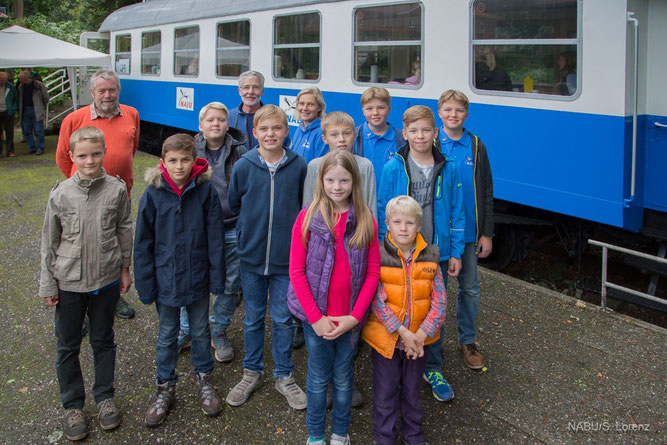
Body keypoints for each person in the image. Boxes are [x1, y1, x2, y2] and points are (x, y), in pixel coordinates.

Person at [39, 126, 132, 441]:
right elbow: (48, 243)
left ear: (104, 152)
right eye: (82, 155)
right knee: (67, 346)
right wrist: (48, 285)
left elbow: (123, 229)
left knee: (103, 340)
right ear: (71, 156)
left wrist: (124, 268)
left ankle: (104, 397)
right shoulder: (60, 193)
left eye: (95, 154)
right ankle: (73, 405)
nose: (89, 160)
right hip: (69, 283)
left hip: (105, 280)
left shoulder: (116, 190)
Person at [287, 150, 380, 445]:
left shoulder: (366, 220)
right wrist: (315, 319)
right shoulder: (306, 218)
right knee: (316, 379)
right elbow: (296, 271)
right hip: (318, 321)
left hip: (349, 321)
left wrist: (354, 317)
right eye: (330, 180)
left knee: (343, 379)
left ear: (354, 181)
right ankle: (315, 435)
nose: (337, 186)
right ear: (321, 180)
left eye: (344, 180)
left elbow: (373, 273)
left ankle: (340, 433)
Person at [134, 134, 225, 427]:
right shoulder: (153, 193)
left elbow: (215, 240)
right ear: (162, 161)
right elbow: (142, 244)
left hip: (197, 276)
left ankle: (203, 379)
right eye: (172, 160)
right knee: (167, 334)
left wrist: (217, 278)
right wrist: (146, 285)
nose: (179, 166)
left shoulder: (205, 192)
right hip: (166, 279)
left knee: (200, 330)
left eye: (185, 159)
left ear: (195, 160)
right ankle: (165, 386)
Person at [377, 105, 464, 403]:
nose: (420, 135)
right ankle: (398, 358)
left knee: (433, 310)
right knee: (400, 305)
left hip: (434, 253)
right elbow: (381, 208)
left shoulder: (448, 166)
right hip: (399, 253)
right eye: (413, 130)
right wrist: (382, 248)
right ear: (405, 133)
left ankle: (433, 367)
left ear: (436, 132)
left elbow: (457, 209)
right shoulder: (393, 167)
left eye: (426, 130)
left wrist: (456, 251)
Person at [226, 104, 308, 409]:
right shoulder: (244, 165)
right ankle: (252, 371)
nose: (270, 134)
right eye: (264, 129)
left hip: (287, 261)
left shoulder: (299, 166)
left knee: (284, 318)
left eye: (277, 128)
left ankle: (284, 374)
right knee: (252, 318)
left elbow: (303, 208)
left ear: (287, 131)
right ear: (254, 132)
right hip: (251, 256)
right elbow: (236, 204)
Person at [56, 69, 140, 319]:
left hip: (119, 195)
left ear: (119, 91)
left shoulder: (132, 114)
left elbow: (131, 150)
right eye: (101, 90)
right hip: (83, 197)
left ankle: (112, 295)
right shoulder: (74, 118)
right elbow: (63, 157)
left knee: (114, 244)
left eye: (112, 89)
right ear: (92, 92)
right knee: (79, 245)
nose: (107, 95)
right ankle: (76, 305)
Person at [362, 195, 446, 445]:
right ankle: (384, 437)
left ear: (419, 226)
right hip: (387, 341)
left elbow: (439, 301)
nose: (403, 228)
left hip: (419, 343)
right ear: (387, 223)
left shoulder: (430, 255)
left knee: (412, 392)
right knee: (386, 392)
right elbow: (377, 300)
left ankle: (414, 435)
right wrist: (403, 333)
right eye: (397, 222)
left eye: (409, 223)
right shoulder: (377, 254)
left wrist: (420, 335)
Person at [177, 102, 247, 362]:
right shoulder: (188, 151)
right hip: (198, 229)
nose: (216, 124)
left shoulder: (241, 151)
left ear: (228, 124)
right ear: (200, 125)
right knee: (193, 279)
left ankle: (218, 330)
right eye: (210, 120)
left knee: (229, 284)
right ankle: (187, 330)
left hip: (232, 227)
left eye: (221, 119)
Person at [433, 90, 494, 372]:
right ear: (439, 112)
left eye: (458, 110)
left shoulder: (476, 145)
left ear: (466, 114)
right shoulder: (432, 142)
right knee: (437, 290)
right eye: (447, 109)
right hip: (439, 234)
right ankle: (435, 342)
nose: (452, 115)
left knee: (470, 289)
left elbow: (487, 191)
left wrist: (487, 233)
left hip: (470, 232)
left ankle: (467, 340)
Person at [303, 111, 376, 215]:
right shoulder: (315, 166)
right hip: (320, 228)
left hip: (358, 228)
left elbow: (371, 206)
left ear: (354, 136)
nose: (341, 139)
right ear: (325, 139)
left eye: (347, 133)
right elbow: (307, 206)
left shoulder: (365, 166)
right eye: (334, 135)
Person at [353, 87, 405, 189]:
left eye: (381, 108)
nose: (375, 112)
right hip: (360, 200)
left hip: (391, 201)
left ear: (389, 109)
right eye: (369, 108)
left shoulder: (401, 139)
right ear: (363, 111)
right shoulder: (353, 137)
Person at [228, 70, 265, 150]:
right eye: (246, 87)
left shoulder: (272, 117)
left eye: (256, 87)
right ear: (239, 91)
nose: (250, 92)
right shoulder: (228, 117)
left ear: (262, 91)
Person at [291, 87, 328, 163]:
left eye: (310, 104)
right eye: (301, 103)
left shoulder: (322, 132)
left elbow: (320, 166)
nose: (304, 108)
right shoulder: (300, 129)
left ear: (320, 108)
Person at [17, 69, 50, 155]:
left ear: (26, 78)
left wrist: (41, 106)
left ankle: (40, 147)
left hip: (36, 109)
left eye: (21, 78)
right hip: (25, 110)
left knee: (38, 130)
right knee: (27, 130)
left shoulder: (38, 85)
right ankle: (31, 147)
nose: (19, 80)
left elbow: (46, 97)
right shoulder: (21, 87)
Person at [0, 70, 18, 158]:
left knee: (9, 132)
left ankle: (10, 151)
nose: (3, 82)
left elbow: (16, 99)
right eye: (1, 80)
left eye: (4, 80)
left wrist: (13, 108)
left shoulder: (10, 87)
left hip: (8, 111)